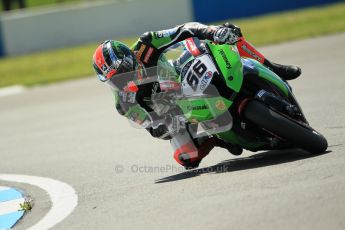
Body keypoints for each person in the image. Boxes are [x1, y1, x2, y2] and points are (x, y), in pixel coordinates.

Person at [92, 22, 301, 169]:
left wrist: (212, 32)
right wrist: (171, 123)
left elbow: (184, 30)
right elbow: (154, 130)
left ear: (130, 56)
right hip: (178, 112)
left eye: (123, 70)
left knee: (228, 32)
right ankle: (219, 139)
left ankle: (273, 68)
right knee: (186, 157)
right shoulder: (124, 104)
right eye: (114, 79)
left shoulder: (146, 45)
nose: (123, 79)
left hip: (183, 73)